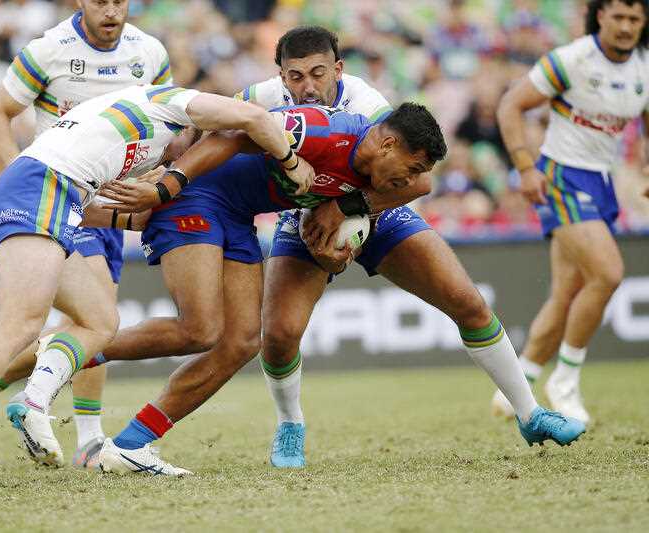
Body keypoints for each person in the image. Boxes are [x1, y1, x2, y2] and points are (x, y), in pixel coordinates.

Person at [84, 101, 528, 477]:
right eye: (297, 74)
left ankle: (129, 439)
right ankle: (62, 352)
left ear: (336, 69)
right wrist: (168, 181)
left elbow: (417, 181)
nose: (308, 83)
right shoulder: (304, 120)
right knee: (207, 331)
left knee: (239, 341)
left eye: (318, 72)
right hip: (213, 202)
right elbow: (232, 130)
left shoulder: (368, 119)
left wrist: (345, 219)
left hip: (262, 214)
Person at [0, 84, 314, 489]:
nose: (179, 160)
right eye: (186, 148)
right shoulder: (169, 102)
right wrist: (292, 163)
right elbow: (255, 118)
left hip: (57, 196)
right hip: (42, 186)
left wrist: (135, 213)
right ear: (192, 127)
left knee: (100, 321)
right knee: (21, 321)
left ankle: (36, 389)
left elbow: (112, 216)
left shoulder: (132, 139)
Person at [0, 0, 175, 468]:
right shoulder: (48, 50)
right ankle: (87, 440)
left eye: (119, 0)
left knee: (94, 324)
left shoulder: (149, 52)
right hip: (61, 200)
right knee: (97, 319)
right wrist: (26, 178)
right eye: (100, 1)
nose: (111, 9)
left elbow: (166, 122)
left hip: (113, 206)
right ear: (80, 2)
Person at [493, 0, 649, 424]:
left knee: (566, 294)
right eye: (618, 16)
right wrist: (525, 167)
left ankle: (517, 385)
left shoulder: (643, 67)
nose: (626, 26)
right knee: (608, 274)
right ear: (600, 16)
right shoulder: (572, 60)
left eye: (635, 19)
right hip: (561, 177)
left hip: (601, 183)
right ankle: (566, 381)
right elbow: (510, 105)